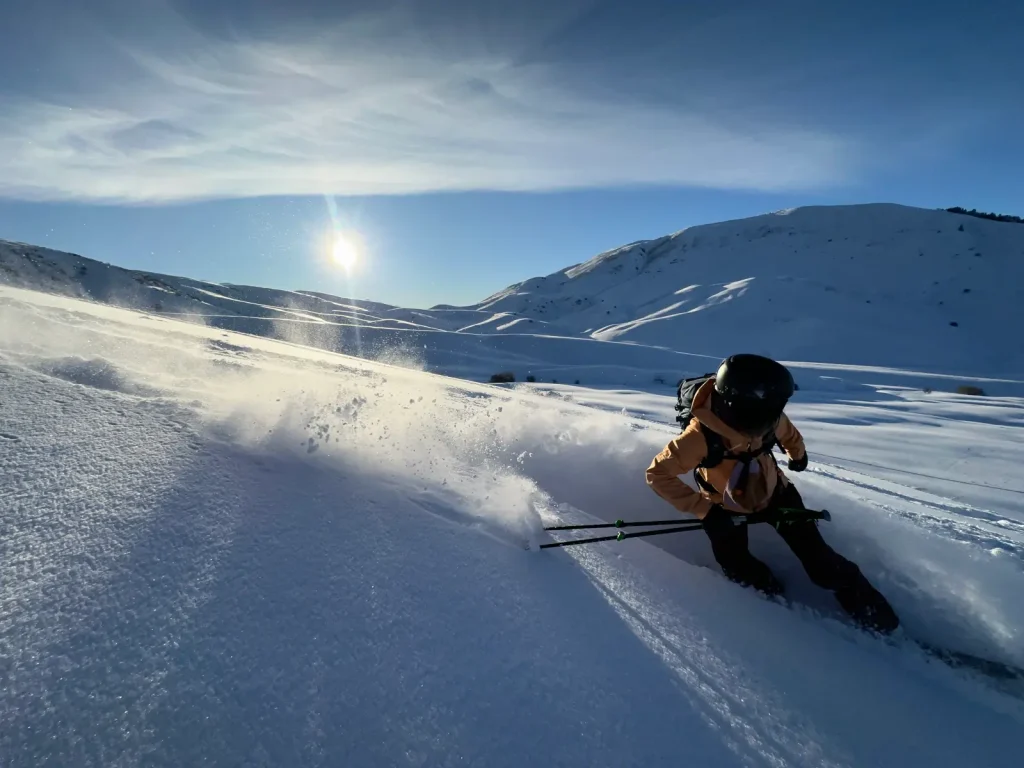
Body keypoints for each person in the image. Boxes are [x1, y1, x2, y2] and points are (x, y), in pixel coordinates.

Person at [645, 353, 899, 634]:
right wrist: (704, 510)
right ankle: (771, 604)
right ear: (737, 403)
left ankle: (880, 620)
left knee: (823, 564)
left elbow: (789, 433)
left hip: (777, 495)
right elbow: (657, 474)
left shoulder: (767, 414)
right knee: (738, 567)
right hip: (724, 507)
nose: (771, 416)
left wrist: (797, 455)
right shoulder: (698, 437)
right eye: (763, 411)